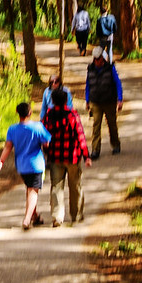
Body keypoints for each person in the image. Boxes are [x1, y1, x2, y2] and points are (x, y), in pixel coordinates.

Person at [0, 102, 51, 230]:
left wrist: (1, 162)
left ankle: (34, 216)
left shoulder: (12, 129)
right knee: (33, 192)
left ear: (17, 113)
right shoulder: (37, 127)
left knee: (30, 190)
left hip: (22, 166)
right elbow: (47, 143)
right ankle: (26, 219)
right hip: (36, 165)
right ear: (30, 113)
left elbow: (8, 147)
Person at [43, 88, 92, 227]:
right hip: (72, 156)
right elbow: (80, 135)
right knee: (75, 186)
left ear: (52, 101)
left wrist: (47, 151)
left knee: (56, 187)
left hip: (55, 157)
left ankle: (57, 217)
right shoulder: (72, 115)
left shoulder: (48, 116)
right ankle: (76, 215)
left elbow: (44, 136)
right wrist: (86, 156)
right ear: (66, 100)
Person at [85, 45, 123, 159]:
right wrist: (87, 100)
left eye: (98, 58)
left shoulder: (110, 68)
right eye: (95, 59)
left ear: (102, 58)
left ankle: (115, 144)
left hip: (109, 101)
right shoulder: (90, 69)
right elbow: (88, 85)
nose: (96, 61)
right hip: (95, 101)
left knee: (112, 124)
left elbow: (118, 83)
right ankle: (95, 150)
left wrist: (120, 99)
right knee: (96, 126)